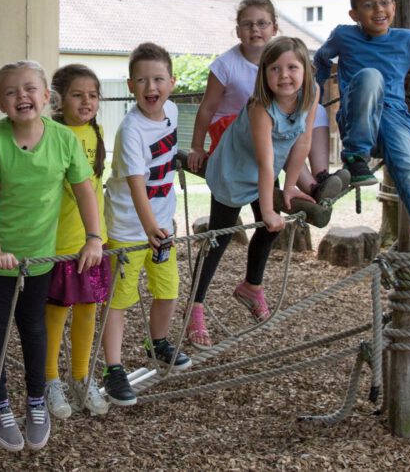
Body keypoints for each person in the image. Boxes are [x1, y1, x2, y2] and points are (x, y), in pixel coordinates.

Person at [0, 59, 102, 453]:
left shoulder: (63, 139)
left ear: (47, 97)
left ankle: (35, 400)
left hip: (40, 256)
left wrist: (94, 238)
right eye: (10, 92)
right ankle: (0, 402)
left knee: (33, 326)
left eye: (30, 89)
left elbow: (84, 190)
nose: (21, 97)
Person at [314, 0, 410, 290]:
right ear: (354, 15)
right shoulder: (343, 36)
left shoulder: (407, 40)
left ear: (393, 6)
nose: (378, 9)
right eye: (368, 5)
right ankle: (355, 157)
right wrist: (314, 97)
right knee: (371, 76)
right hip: (357, 119)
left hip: (395, 120)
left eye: (384, 2)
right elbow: (321, 59)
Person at [187, 37, 319, 350]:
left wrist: (289, 187)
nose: (284, 75)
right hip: (235, 169)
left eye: (292, 67)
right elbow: (264, 161)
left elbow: (302, 141)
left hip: (267, 170)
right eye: (275, 68)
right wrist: (270, 206)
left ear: (305, 72)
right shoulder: (261, 106)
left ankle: (251, 286)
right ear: (264, 74)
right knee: (219, 238)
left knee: (271, 229)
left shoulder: (310, 94)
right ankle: (195, 308)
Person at [100, 43, 192, 407]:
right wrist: (150, 226)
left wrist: (160, 224)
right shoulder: (130, 130)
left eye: (158, 79)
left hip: (161, 225)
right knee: (120, 299)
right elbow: (137, 183)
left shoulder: (170, 110)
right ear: (129, 85)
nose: (150, 87)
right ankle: (113, 367)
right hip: (128, 227)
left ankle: (158, 342)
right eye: (142, 80)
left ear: (172, 82)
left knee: (168, 289)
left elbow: (167, 157)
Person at [188, 0, 346, 202]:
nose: (255, 29)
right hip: (233, 129)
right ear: (237, 31)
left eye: (262, 23)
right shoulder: (225, 65)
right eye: (247, 24)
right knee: (281, 130)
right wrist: (197, 147)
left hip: (272, 122)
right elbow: (207, 108)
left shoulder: (286, 59)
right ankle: (311, 188)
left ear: (274, 28)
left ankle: (321, 176)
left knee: (315, 111)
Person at [42, 65, 111, 419]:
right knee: (55, 313)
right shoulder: (51, 133)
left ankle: (81, 378)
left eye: (93, 95)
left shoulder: (95, 132)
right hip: (59, 244)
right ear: (57, 99)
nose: (87, 101)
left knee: (87, 310)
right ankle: (49, 379)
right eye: (77, 94)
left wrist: (100, 237)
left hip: (92, 244)